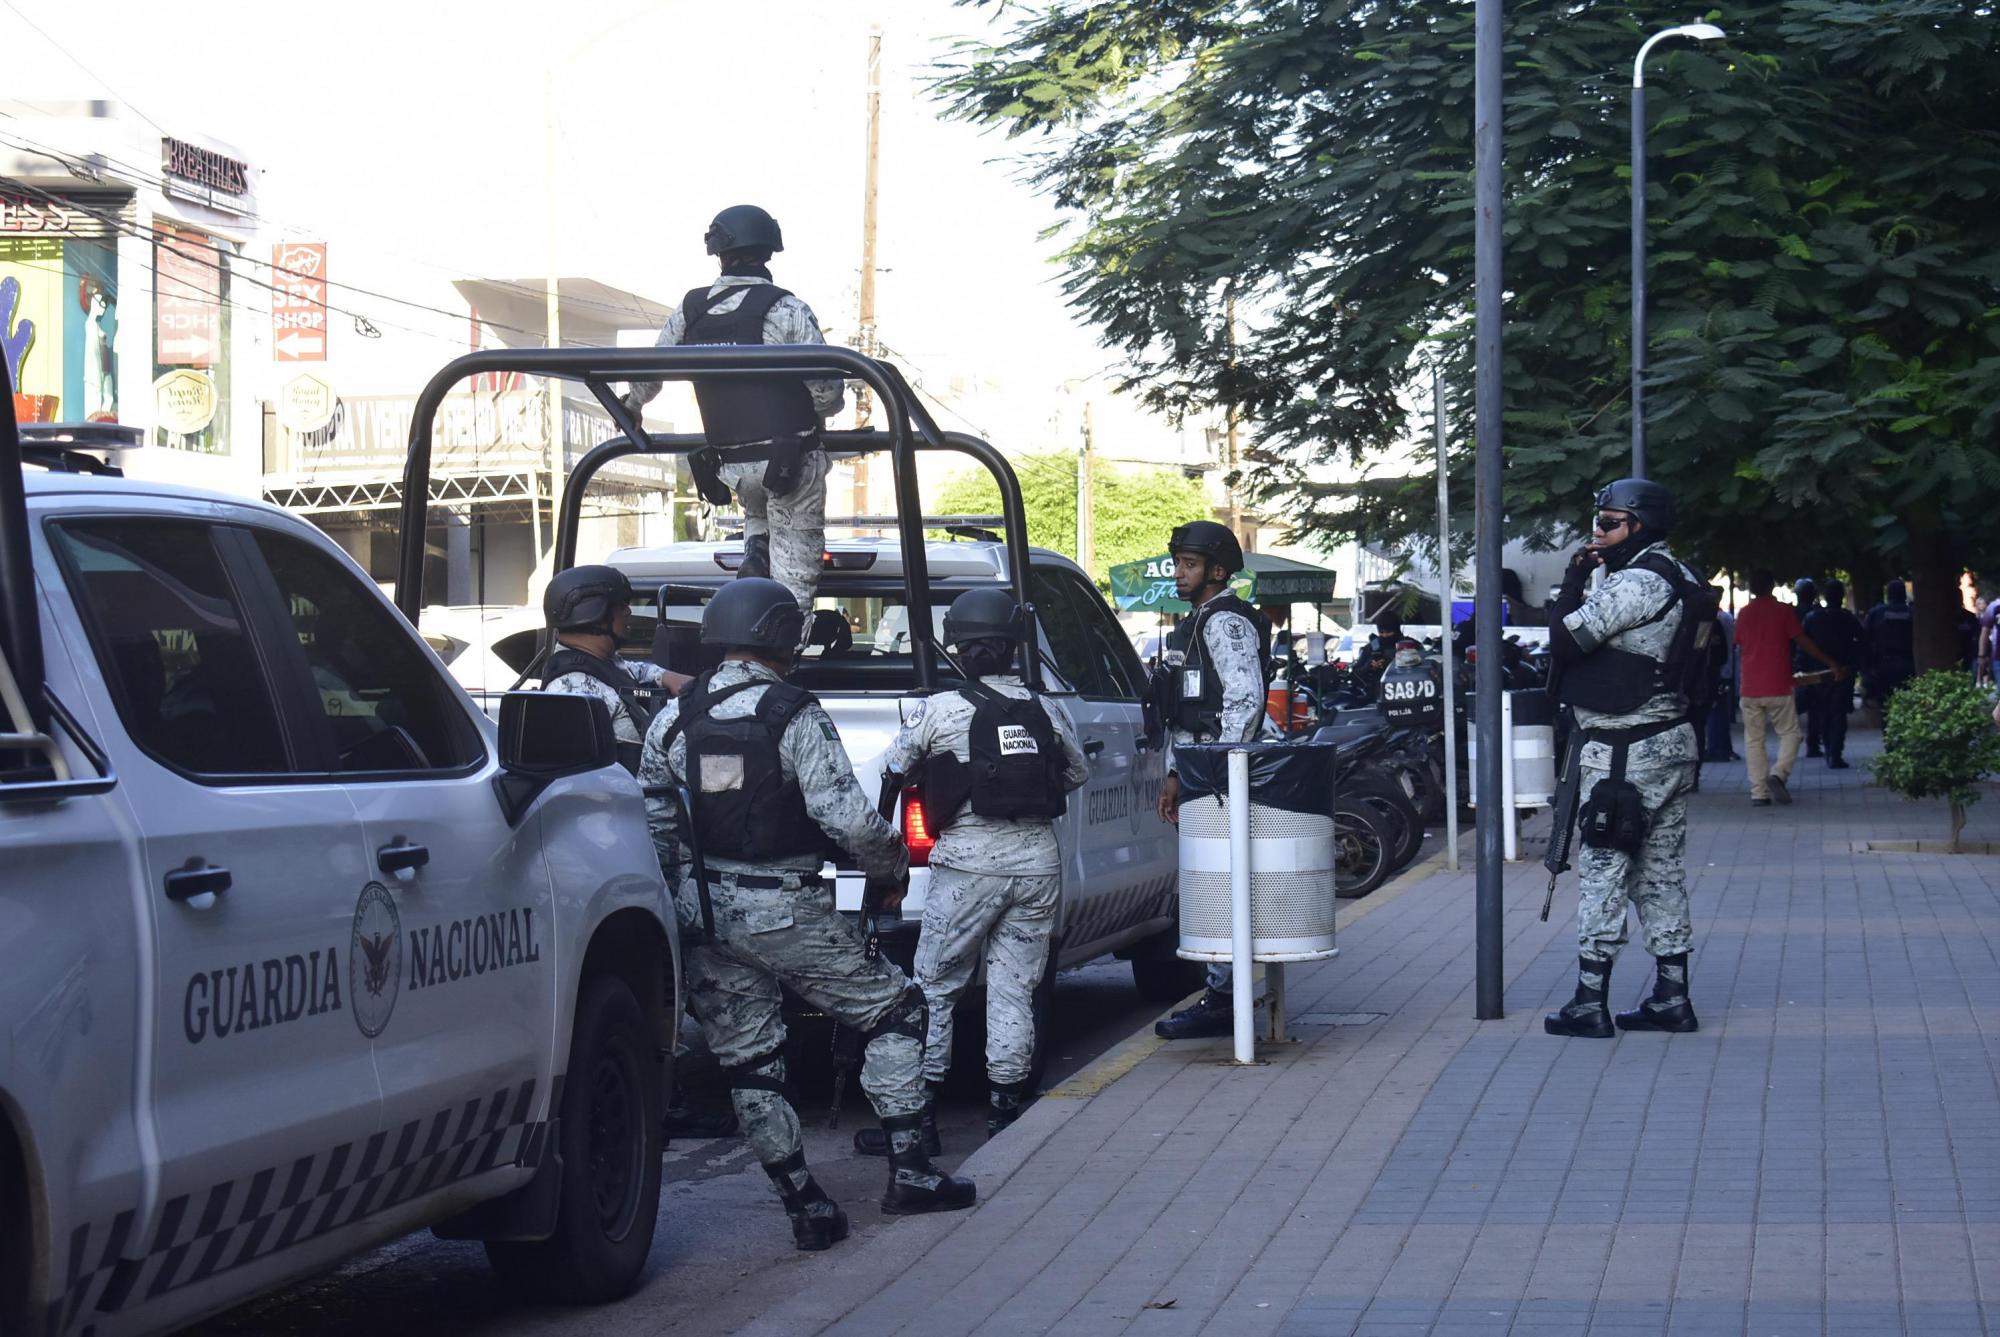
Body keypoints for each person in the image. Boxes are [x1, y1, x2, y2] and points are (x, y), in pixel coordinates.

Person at [638, 579, 973, 1251]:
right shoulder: (792, 712)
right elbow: (844, 815)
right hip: (785, 904)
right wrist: (888, 869)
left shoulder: (673, 715)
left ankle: (805, 1203)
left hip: (700, 908)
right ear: (784, 638)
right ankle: (910, 1169)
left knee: (751, 1060)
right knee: (898, 1010)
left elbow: (653, 821)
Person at [851, 589, 1089, 1154]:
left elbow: (890, 770)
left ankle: (921, 1121)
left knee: (935, 986)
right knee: (1014, 988)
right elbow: (1075, 772)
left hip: (967, 865)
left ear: (956, 645)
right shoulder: (1047, 707)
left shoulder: (941, 708)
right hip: (1037, 862)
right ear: (1013, 646)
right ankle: (1007, 1116)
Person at [1545, 479, 1711, 1039]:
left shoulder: (1638, 580)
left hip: (1624, 753)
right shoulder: (1682, 576)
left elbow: (1568, 641)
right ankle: (1671, 995)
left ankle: (1589, 1001)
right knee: (1661, 874)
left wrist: (1571, 580)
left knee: (1603, 872)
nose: (1598, 531)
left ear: (1640, 525)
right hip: (1668, 744)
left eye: (1610, 522)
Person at [624, 205, 844, 624]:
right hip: (791, 463)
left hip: (731, 466)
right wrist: (817, 411)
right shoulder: (787, 309)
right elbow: (828, 394)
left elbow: (645, 377)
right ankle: (782, 654)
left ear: (718, 253)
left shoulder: (689, 311)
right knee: (795, 586)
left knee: (759, 509)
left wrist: (632, 408)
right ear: (769, 252)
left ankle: (756, 548)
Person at [1150, 519, 1271, 1041]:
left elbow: (1245, 700)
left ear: (1218, 571)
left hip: (1222, 776)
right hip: (1202, 771)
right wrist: (1178, 774)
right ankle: (1224, 991)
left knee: (1221, 885)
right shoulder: (1196, 622)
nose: (1180, 572)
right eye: (1178, 562)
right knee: (1209, 884)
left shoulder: (1224, 623)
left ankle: (1225, 998)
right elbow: (1186, 713)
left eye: (1190, 564)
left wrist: (1223, 771)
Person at [540, 565, 688, 772]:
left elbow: (630, 670)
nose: (628, 611)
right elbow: (579, 780)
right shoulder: (574, 690)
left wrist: (666, 677)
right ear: (595, 613)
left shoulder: (601, 664)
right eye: (620, 605)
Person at [1735, 569, 1846, 805]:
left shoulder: (1744, 614)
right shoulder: (1783, 612)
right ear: (1772, 586)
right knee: (1791, 734)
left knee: (1754, 740)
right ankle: (1779, 773)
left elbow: (1740, 644)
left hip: (1750, 686)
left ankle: (1759, 793)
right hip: (1778, 684)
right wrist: (1829, 662)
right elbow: (1802, 641)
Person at [1803, 578, 1864, 769]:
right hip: (1843, 671)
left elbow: (1803, 645)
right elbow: (1861, 642)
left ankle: (1828, 747)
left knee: (1822, 711)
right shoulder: (1848, 618)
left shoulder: (1813, 618)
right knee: (1838, 713)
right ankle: (1834, 752)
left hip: (1817, 672)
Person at [1864, 579, 1916, 706]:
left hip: (1882, 666)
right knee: (1907, 704)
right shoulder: (1912, 613)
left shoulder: (1876, 613)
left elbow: (1865, 641)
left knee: (1885, 705)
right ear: (1903, 594)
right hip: (1908, 664)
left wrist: (1867, 670)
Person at [1701, 600, 1738, 762]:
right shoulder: (1723, 620)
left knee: (1713, 712)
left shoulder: (1710, 622)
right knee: (1720, 711)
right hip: (1721, 671)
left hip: (1710, 674)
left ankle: (1715, 748)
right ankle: (1722, 748)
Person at [1793, 578, 1825, 758]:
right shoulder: (1816, 614)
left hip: (1796, 664)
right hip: (1813, 664)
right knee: (1815, 707)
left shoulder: (1792, 613)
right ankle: (1812, 744)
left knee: (1792, 707)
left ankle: (1793, 743)